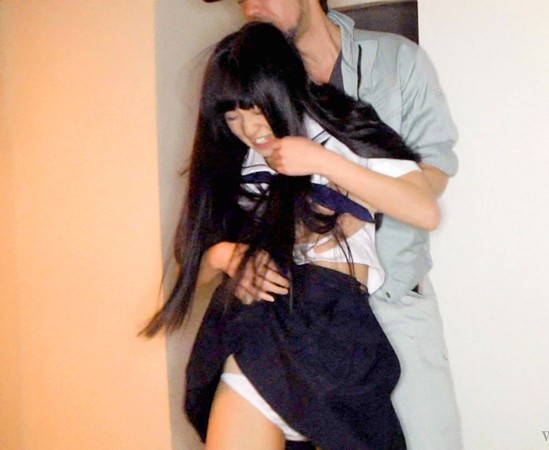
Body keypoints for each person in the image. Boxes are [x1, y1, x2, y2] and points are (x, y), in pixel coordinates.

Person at [143, 22, 441, 449]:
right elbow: (195, 269)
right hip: (255, 333)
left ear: (282, 87)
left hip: (335, 336)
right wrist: (226, 256)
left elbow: (425, 210)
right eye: (232, 116)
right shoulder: (237, 159)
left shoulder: (340, 129)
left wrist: (323, 162)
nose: (249, 129)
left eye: (256, 108)